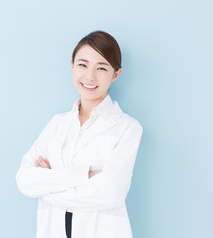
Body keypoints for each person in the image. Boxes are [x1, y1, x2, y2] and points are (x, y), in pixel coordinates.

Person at [15, 30, 143, 238]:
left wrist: (47, 188)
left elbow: (110, 194)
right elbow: (24, 179)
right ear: (72, 66)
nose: (90, 77)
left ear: (116, 74)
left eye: (101, 68)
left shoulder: (128, 128)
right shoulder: (56, 124)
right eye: (83, 65)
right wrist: (83, 176)